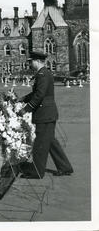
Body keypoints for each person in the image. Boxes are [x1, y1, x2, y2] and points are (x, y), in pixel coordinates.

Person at [17, 51, 73, 179]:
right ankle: (65, 167)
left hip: (44, 114)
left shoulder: (42, 75)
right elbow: (37, 93)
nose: (30, 64)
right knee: (50, 142)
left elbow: (39, 95)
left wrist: (26, 109)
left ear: (36, 61)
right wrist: (23, 98)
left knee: (40, 144)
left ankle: (37, 171)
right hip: (47, 113)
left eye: (30, 62)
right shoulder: (43, 73)